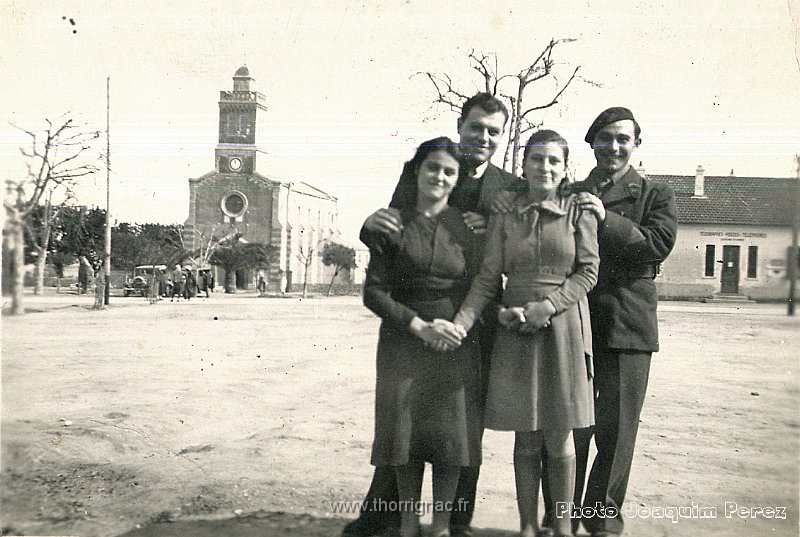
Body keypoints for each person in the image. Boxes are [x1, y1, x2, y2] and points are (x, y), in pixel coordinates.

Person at [347, 92, 520, 537]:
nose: (483, 137)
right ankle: (388, 521)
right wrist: (369, 224)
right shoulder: (423, 165)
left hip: (471, 322)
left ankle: (453, 524)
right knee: (404, 429)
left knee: (460, 432)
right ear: (461, 126)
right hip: (413, 324)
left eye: (493, 131)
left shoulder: (510, 185)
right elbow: (391, 226)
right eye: (476, 127)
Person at [452, 130, 599, 537]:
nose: (545, 168)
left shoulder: (578, 210)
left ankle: (564, 528)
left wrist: (548, 306)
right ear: (525, 164)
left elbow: (588, 271)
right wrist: (469, 320)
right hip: (515, 327)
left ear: (565, 167)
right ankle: (528, 527)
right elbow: (487, 276)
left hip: (564, 327)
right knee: (526, 438)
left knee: (560, 435)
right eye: (537, 159)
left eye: (554, 160)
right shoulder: (505, 212)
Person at [543, 107, 677, 537]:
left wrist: (607, 217)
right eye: (604, 138)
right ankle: (560, 513)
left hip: (628, 321)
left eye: (623, 138)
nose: (614, 147)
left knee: (616, 431)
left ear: (636, 144)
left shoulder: (655, 194)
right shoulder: (571, 191)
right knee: (568, 422)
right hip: (576, 319)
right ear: (592, 144)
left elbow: (657, 244)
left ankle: (602, 518)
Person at [363, 137, 484, 537]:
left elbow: (484, 286)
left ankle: (441, 527)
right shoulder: (392, 223)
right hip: (403, 345)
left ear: (457, 180)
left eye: (449, 171)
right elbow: (374, 292)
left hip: (454, 345)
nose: (440, 176)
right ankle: (408, 524)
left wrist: (457, 329)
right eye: (433, 168)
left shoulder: (466, 228)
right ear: (417, 170)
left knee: (450, 442)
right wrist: (419, 326)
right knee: (405, 437)